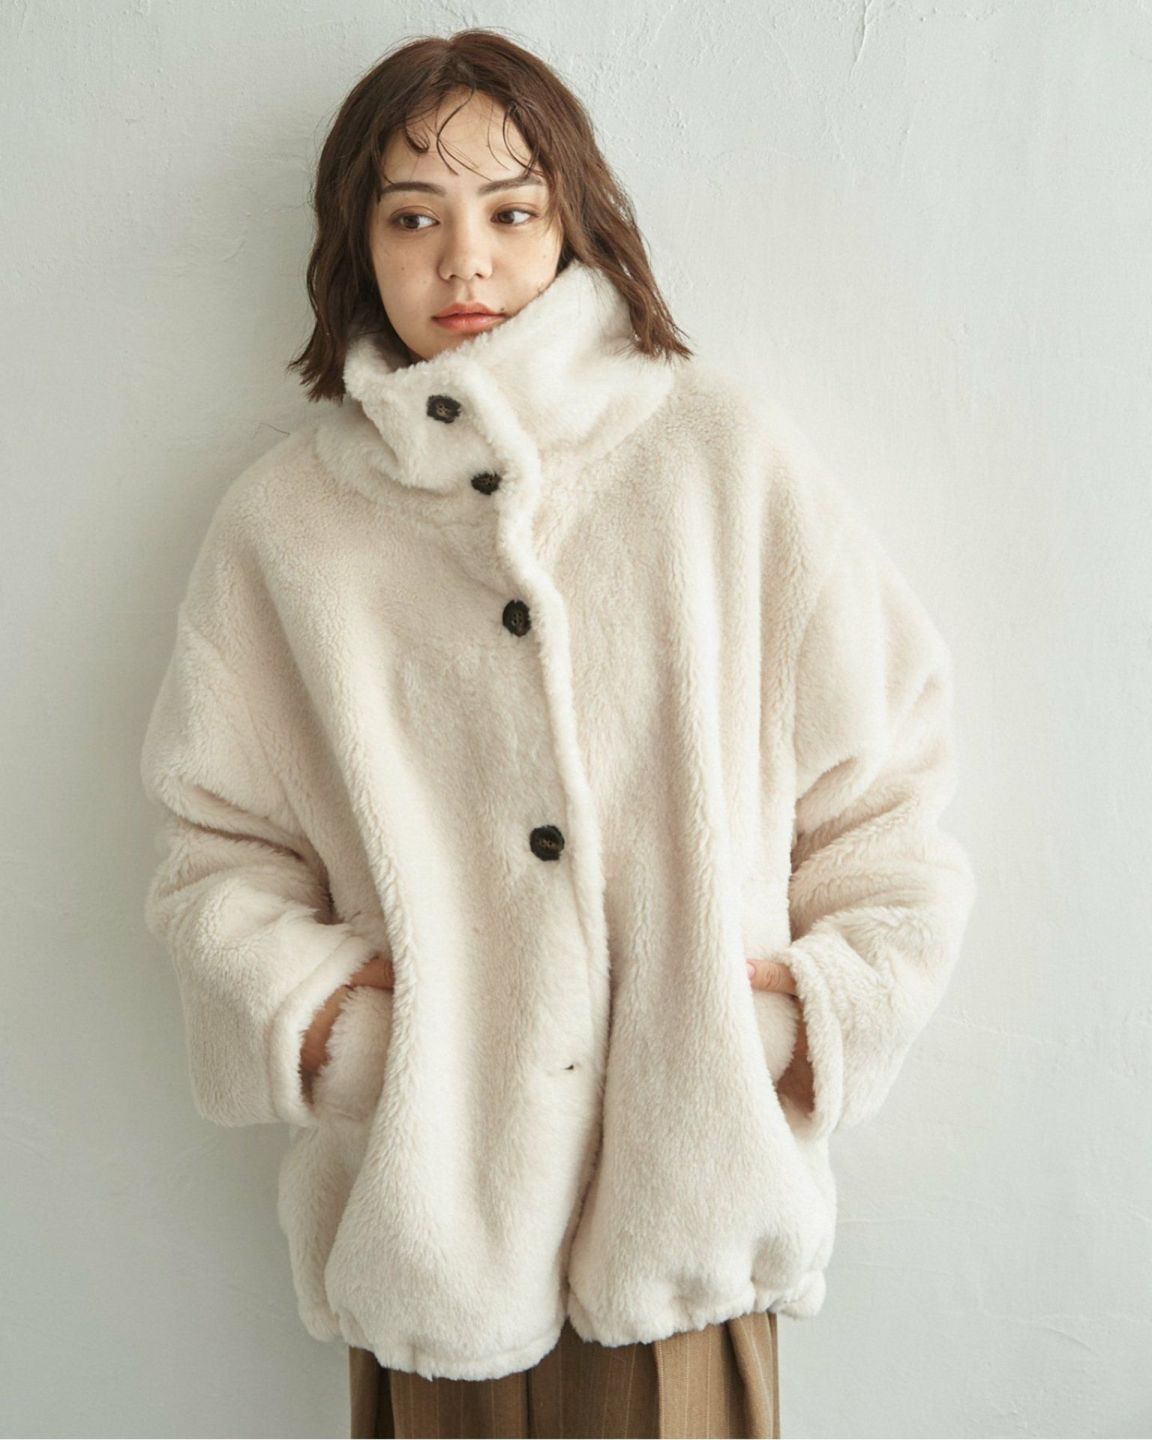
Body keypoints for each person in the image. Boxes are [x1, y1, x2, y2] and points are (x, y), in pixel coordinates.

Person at [138, 27, 976, 1440]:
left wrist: (787, 1033)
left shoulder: (718, 459)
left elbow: (886, 786)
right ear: (357, 244)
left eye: (512, 212)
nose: (464, 263)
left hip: (691, 1229)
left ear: (574, 221)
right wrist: (351, 1041)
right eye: (414, 219)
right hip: (433, 1241)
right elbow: (212, 854)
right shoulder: (287, 528)